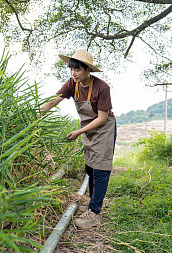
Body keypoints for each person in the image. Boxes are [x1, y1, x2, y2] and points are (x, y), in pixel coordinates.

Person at [40, 49, 117, 228]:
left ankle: (95, 212)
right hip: (88, 129)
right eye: (71, 70)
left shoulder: (102, 87)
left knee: (100, 169)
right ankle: (91, 202)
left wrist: (79, 132)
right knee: (90, 167)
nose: (73, 74)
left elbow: (102, 118)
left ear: (87, 70)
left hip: (103, 128)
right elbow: (53, 101)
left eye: (77, 70)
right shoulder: (72, 84)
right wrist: (36, 115)